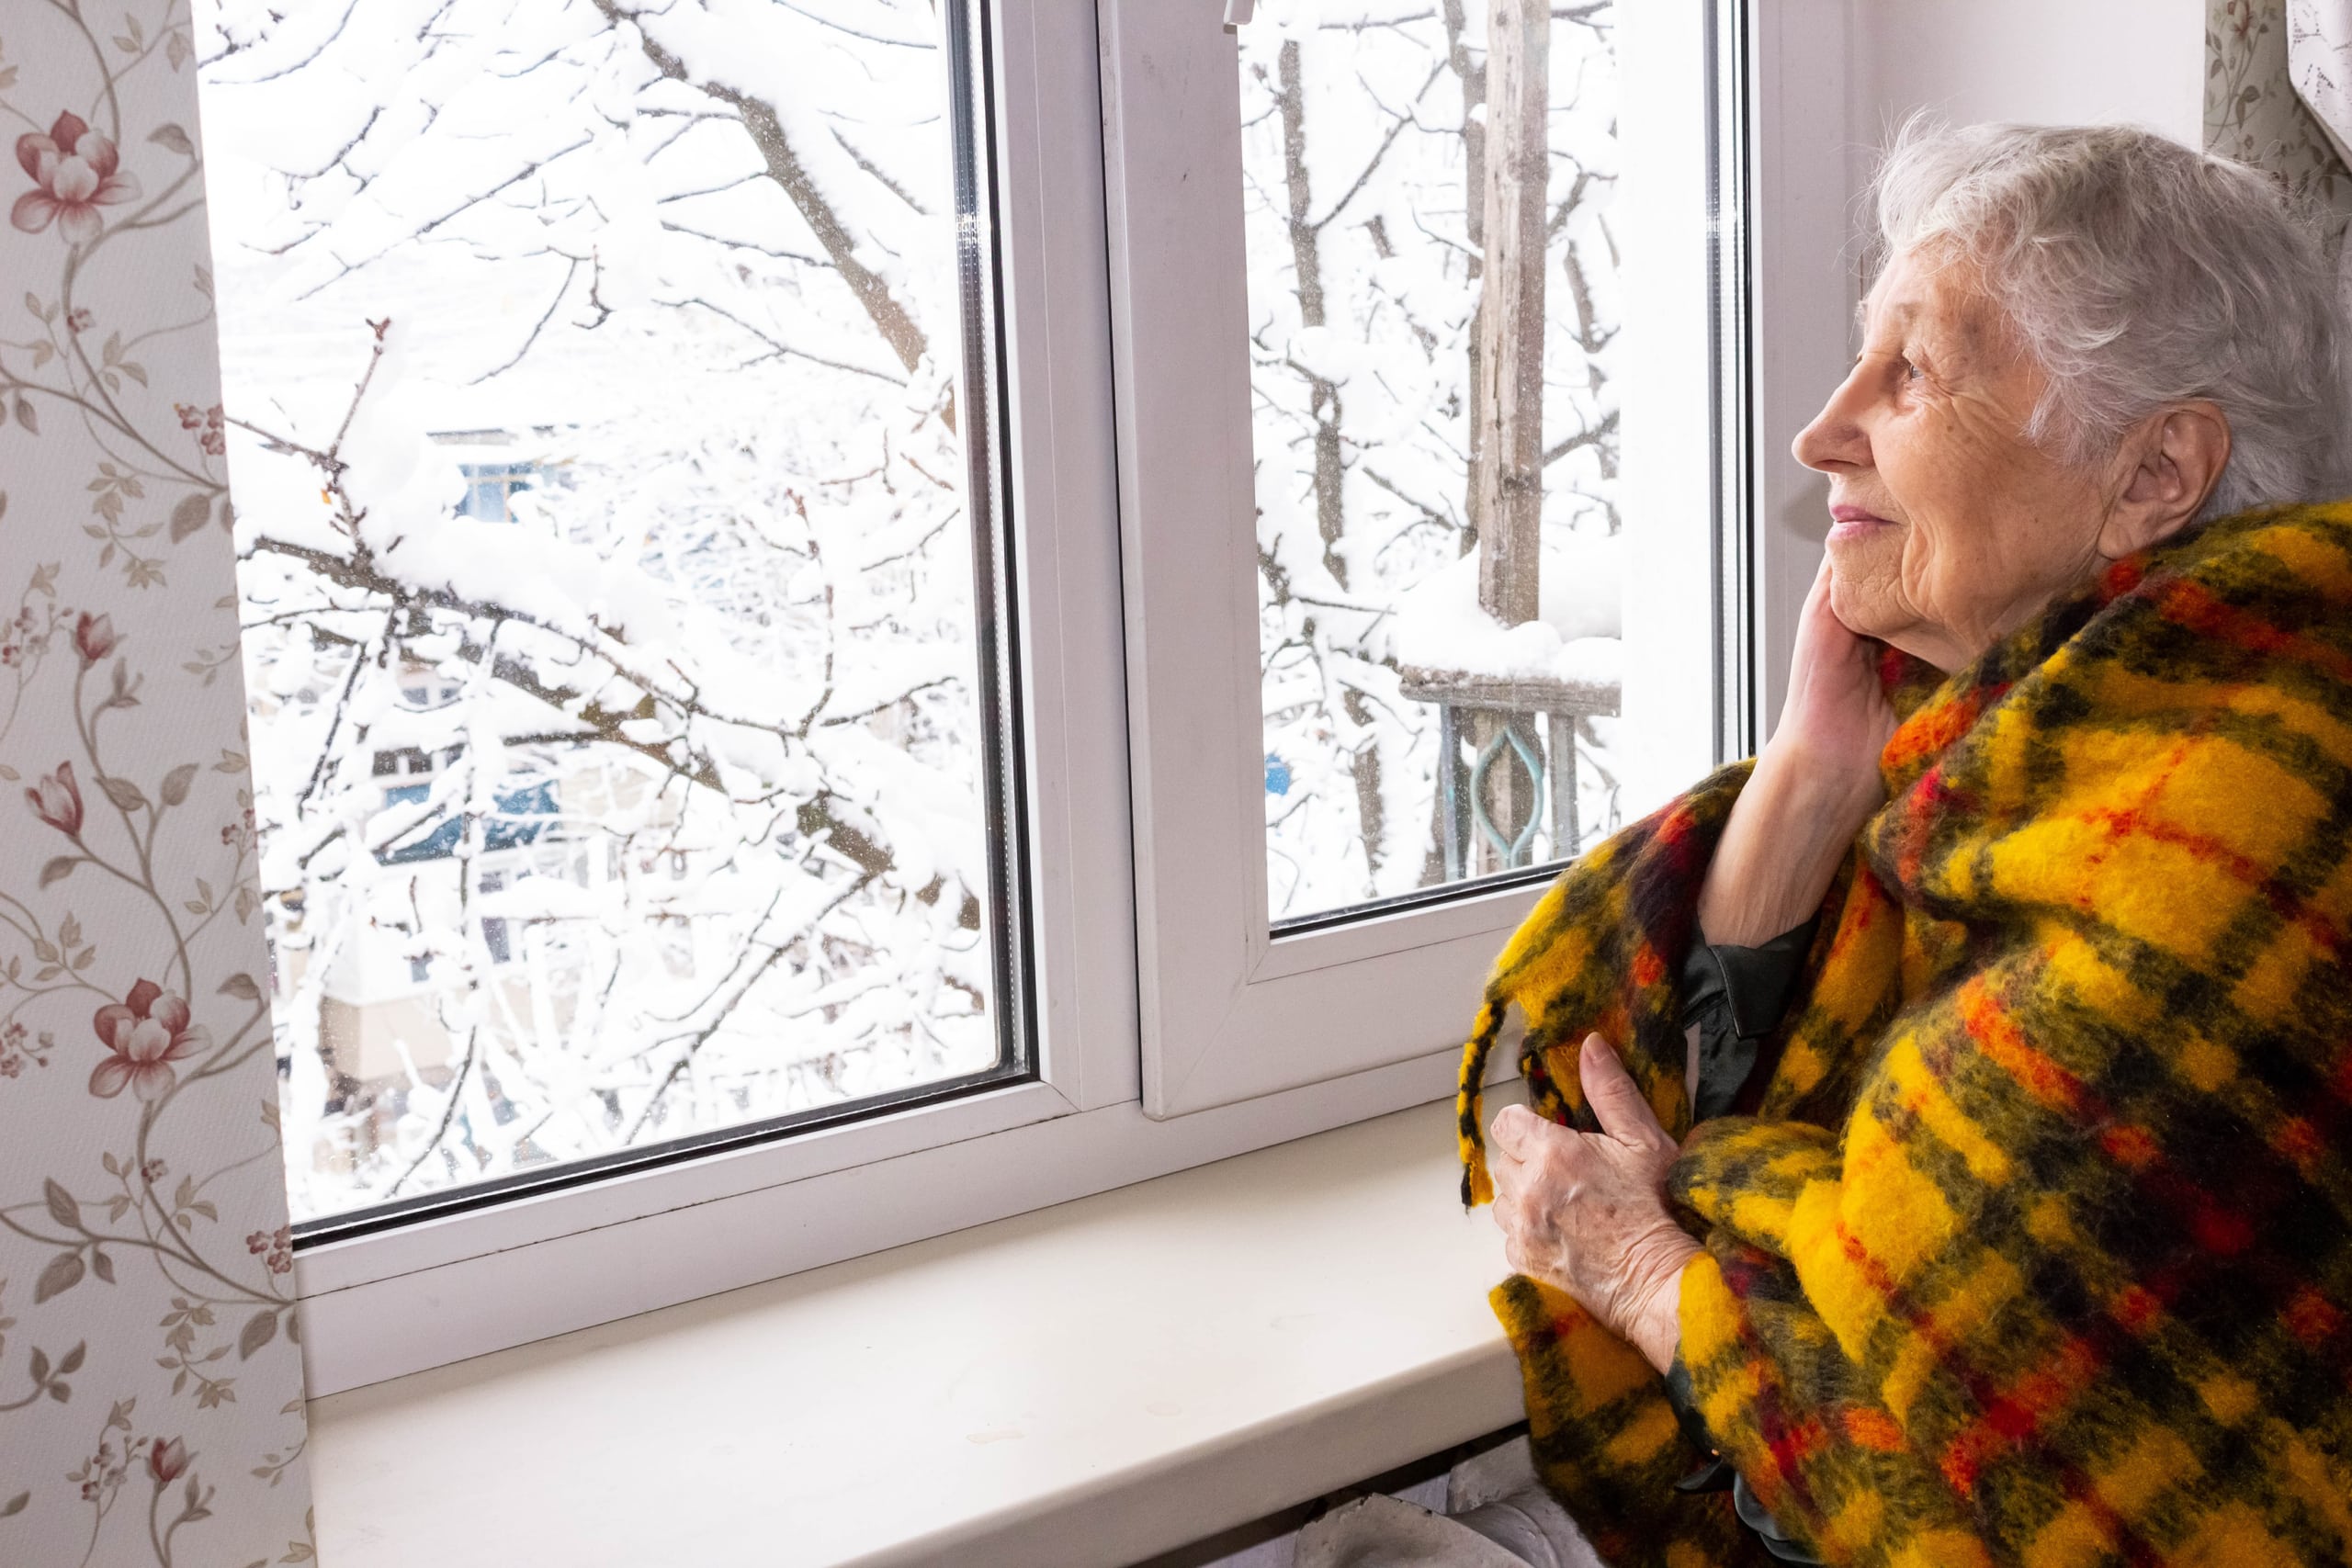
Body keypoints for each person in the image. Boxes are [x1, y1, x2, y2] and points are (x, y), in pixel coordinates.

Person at [1444, 120, 2352, 1567]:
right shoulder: (2017, 764)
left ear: (2155, 472)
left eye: (1912, 371)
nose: (1821, 433)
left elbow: (1954, 1504)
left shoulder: (2228, 835)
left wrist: (1642, 1268)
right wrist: (1810, 782)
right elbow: (1597, 1080)